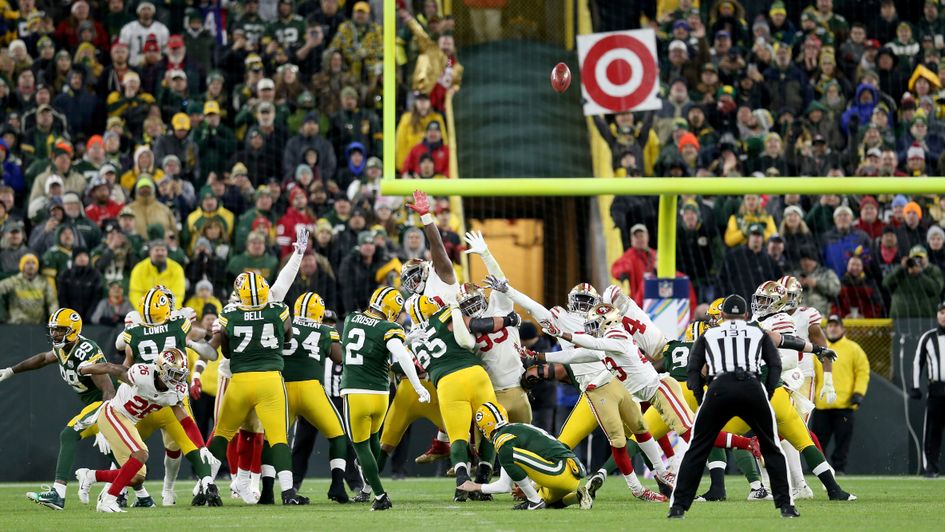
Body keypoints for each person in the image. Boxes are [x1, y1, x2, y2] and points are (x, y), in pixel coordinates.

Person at [667, 295, 797, 519]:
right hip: (751, 386)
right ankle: (786, 506)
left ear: (723, 316)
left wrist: (701, 398)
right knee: (771, 447)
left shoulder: (709, 333)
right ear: (745, 315)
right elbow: (775, 363)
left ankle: (678, 507)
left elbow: (693, 369)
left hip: (720, 387)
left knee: (697, 449)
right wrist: (767, 392)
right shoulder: (757, 332)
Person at [73, 347, 219, 513]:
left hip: (129, 421)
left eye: (181, 374)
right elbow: (112, 368)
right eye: (174, 373)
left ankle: (90, 476)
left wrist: (201, 447)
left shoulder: (175, 391)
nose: (179, 378)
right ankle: (108, 499)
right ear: (162, 370)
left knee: (136, 477)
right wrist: (84, 369)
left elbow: (186, 422)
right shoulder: (142, 375)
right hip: (113, 413)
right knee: (141, 454)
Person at [206, 271, 308, 505]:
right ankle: (288, 492)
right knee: (278, 437)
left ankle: (206, 485)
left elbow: (227, 352)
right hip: (270, 380)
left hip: (240, 381)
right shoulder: (278, 310)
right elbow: (288, 338)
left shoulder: (229, 313)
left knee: (222, 434)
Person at [0, 309, 115, 510]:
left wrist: (107, 422)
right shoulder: (64, 348)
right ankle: (142, 496)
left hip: (107, 406)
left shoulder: (85, 350)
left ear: (73, 330)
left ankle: (58, 494)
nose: (55, 334)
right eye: (53, 330)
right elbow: (43, 359)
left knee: (68, 435)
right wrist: (11, 371)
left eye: (60, 330)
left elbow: (108, 390)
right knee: (126, 460)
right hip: (96, 407)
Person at [120, 286, 218, 505]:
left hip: (142, 401)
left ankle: (120, 492)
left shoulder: (133, 330)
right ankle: (174, 489)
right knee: (185, 446)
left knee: (125, 444)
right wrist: (191, 339)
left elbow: (123, 359)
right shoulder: (179, 324)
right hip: (173, 399)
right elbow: (209, 346)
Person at [340, 286, 428, 510]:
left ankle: (379, 495)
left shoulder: (351, 319)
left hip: (355, 392)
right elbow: (399, 354)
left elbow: (369, 340)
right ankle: (370, 489)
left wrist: (404, 339)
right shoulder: (390, 328)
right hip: (380, 395)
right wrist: (417, 386)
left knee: (361, 448)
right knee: (372, 442)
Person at [457, 402, 594, 510]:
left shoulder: (503, 440)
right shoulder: (516, 429)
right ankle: (577, 497)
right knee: (548, 504)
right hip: (569, 474)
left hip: (559, 472)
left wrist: (476, 486)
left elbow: (505, 486)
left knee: (508, 454)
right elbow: (505, 484)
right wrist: (531, 488)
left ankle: (534, 501)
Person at [281, 292, 349, 503]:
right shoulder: (325, 330)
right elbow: (340, 359)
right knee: (338, 435)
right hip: (312, 389)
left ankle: (269, 490)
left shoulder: (281, 324)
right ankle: (337, 486)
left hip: (282, 390)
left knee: (275, 440)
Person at [811, 315, 870, 474]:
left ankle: (839, 468)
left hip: (844, 404)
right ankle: (819, 469)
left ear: (843, 328)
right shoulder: (819, 348)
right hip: (822, 405)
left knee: (842, 441)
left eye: (836, 325)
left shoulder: (853, 348)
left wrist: (858, 393)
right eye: (829, 325)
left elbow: (862, 372)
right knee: (818, 441)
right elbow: (812, 374)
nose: (832, 328)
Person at [910, 302, 945, 477]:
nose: (944, 315)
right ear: (937, 315)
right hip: (936, 390)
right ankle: (930, 468)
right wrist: (915, 386)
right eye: (942, 312)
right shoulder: (928, 337)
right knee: (932, 431)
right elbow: (918, 362)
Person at [0, 253, 58, 324]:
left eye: (33, 263)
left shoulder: (44, 283)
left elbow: (52, 302)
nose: (31, 266)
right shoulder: (14, 281)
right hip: (16, 324)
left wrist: (55, 319)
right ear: (22, 266)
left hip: (38, 324)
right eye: (27, 263)